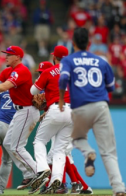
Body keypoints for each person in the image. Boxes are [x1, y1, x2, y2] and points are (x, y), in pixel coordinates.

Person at [59, 27, 125, 196]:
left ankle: (88, 152)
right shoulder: (102, 61)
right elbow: (111, 86)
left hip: (80, 107)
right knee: (109, 152)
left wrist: (60, 99)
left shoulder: (69, 60)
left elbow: (63, 78)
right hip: (101, 106)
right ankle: (118, 189)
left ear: (73, 43)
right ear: (89, 43)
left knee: (78, 139)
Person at [0, 46, 40, 190]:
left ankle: (37, 172)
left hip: (27, 110)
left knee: (16, 146)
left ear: (17, 57)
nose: (6, 57)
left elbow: (4, 87)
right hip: (20, 111)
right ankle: (29, 174)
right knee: (9, 143)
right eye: (6, 54)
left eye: (9, 54)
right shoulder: (7, 71)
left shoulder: (21, 70)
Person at [29, 46, 71, 194]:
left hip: (56, 108)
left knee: (39, 141)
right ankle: (57, 179)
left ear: (54, 58)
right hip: (73, 111)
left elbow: (33, 91)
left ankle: (42, 169)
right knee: (60, 149)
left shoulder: (48, 72)